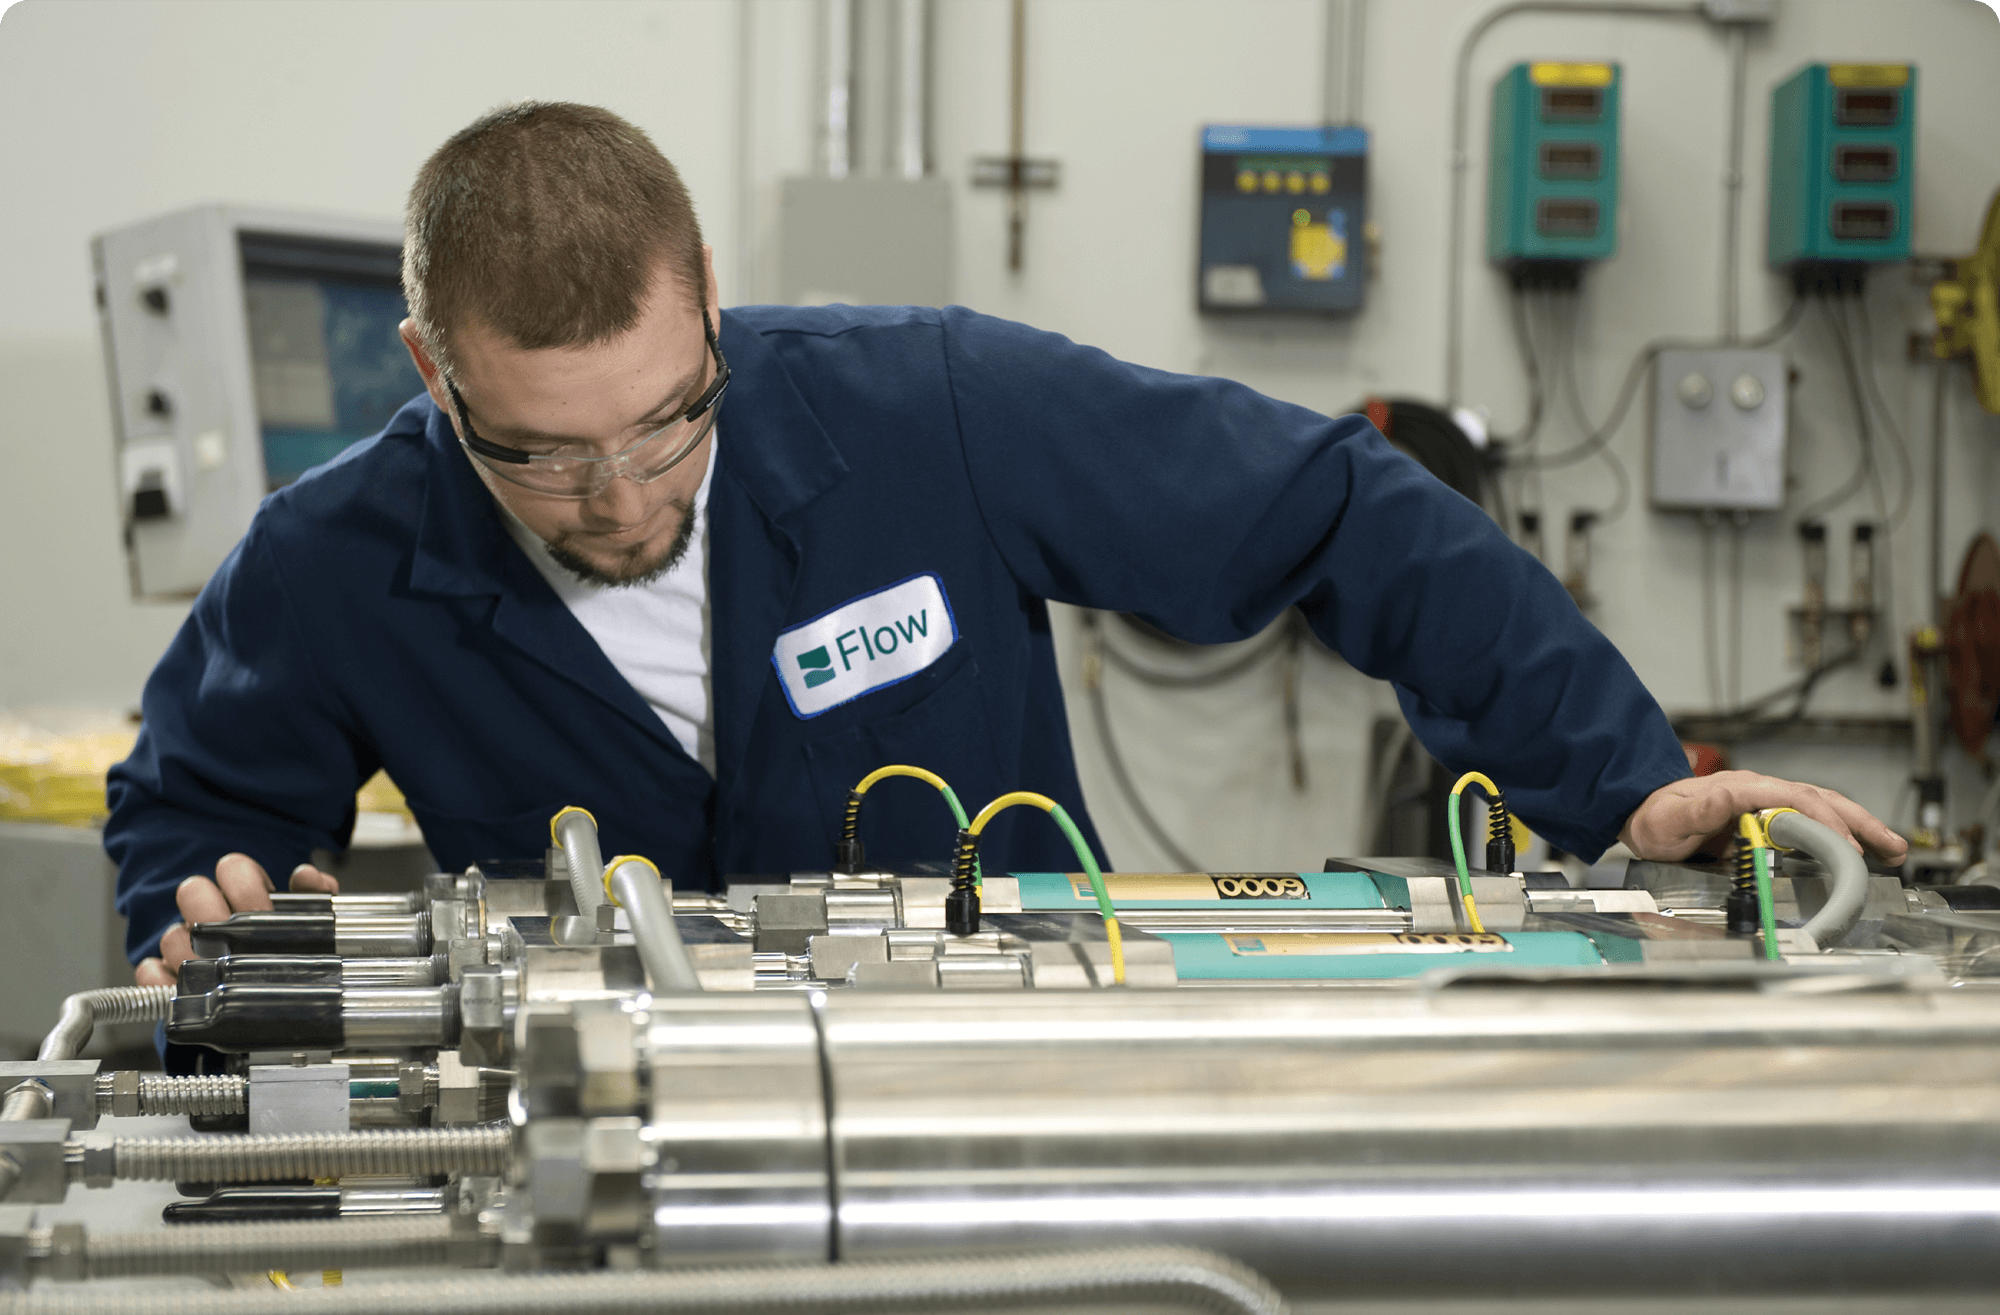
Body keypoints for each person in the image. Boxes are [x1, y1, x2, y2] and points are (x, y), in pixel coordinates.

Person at [106, 102, 1906, 986]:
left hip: (1014, 1107)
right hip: (607, 1163)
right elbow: (195, 823)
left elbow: (1340, 511)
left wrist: (1616, 782)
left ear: (710, 306)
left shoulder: (927, 409)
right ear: (435, 379)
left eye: (669, 420)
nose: (626, 496)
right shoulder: (333, 556)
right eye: (544, 459)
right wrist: (219, 925)